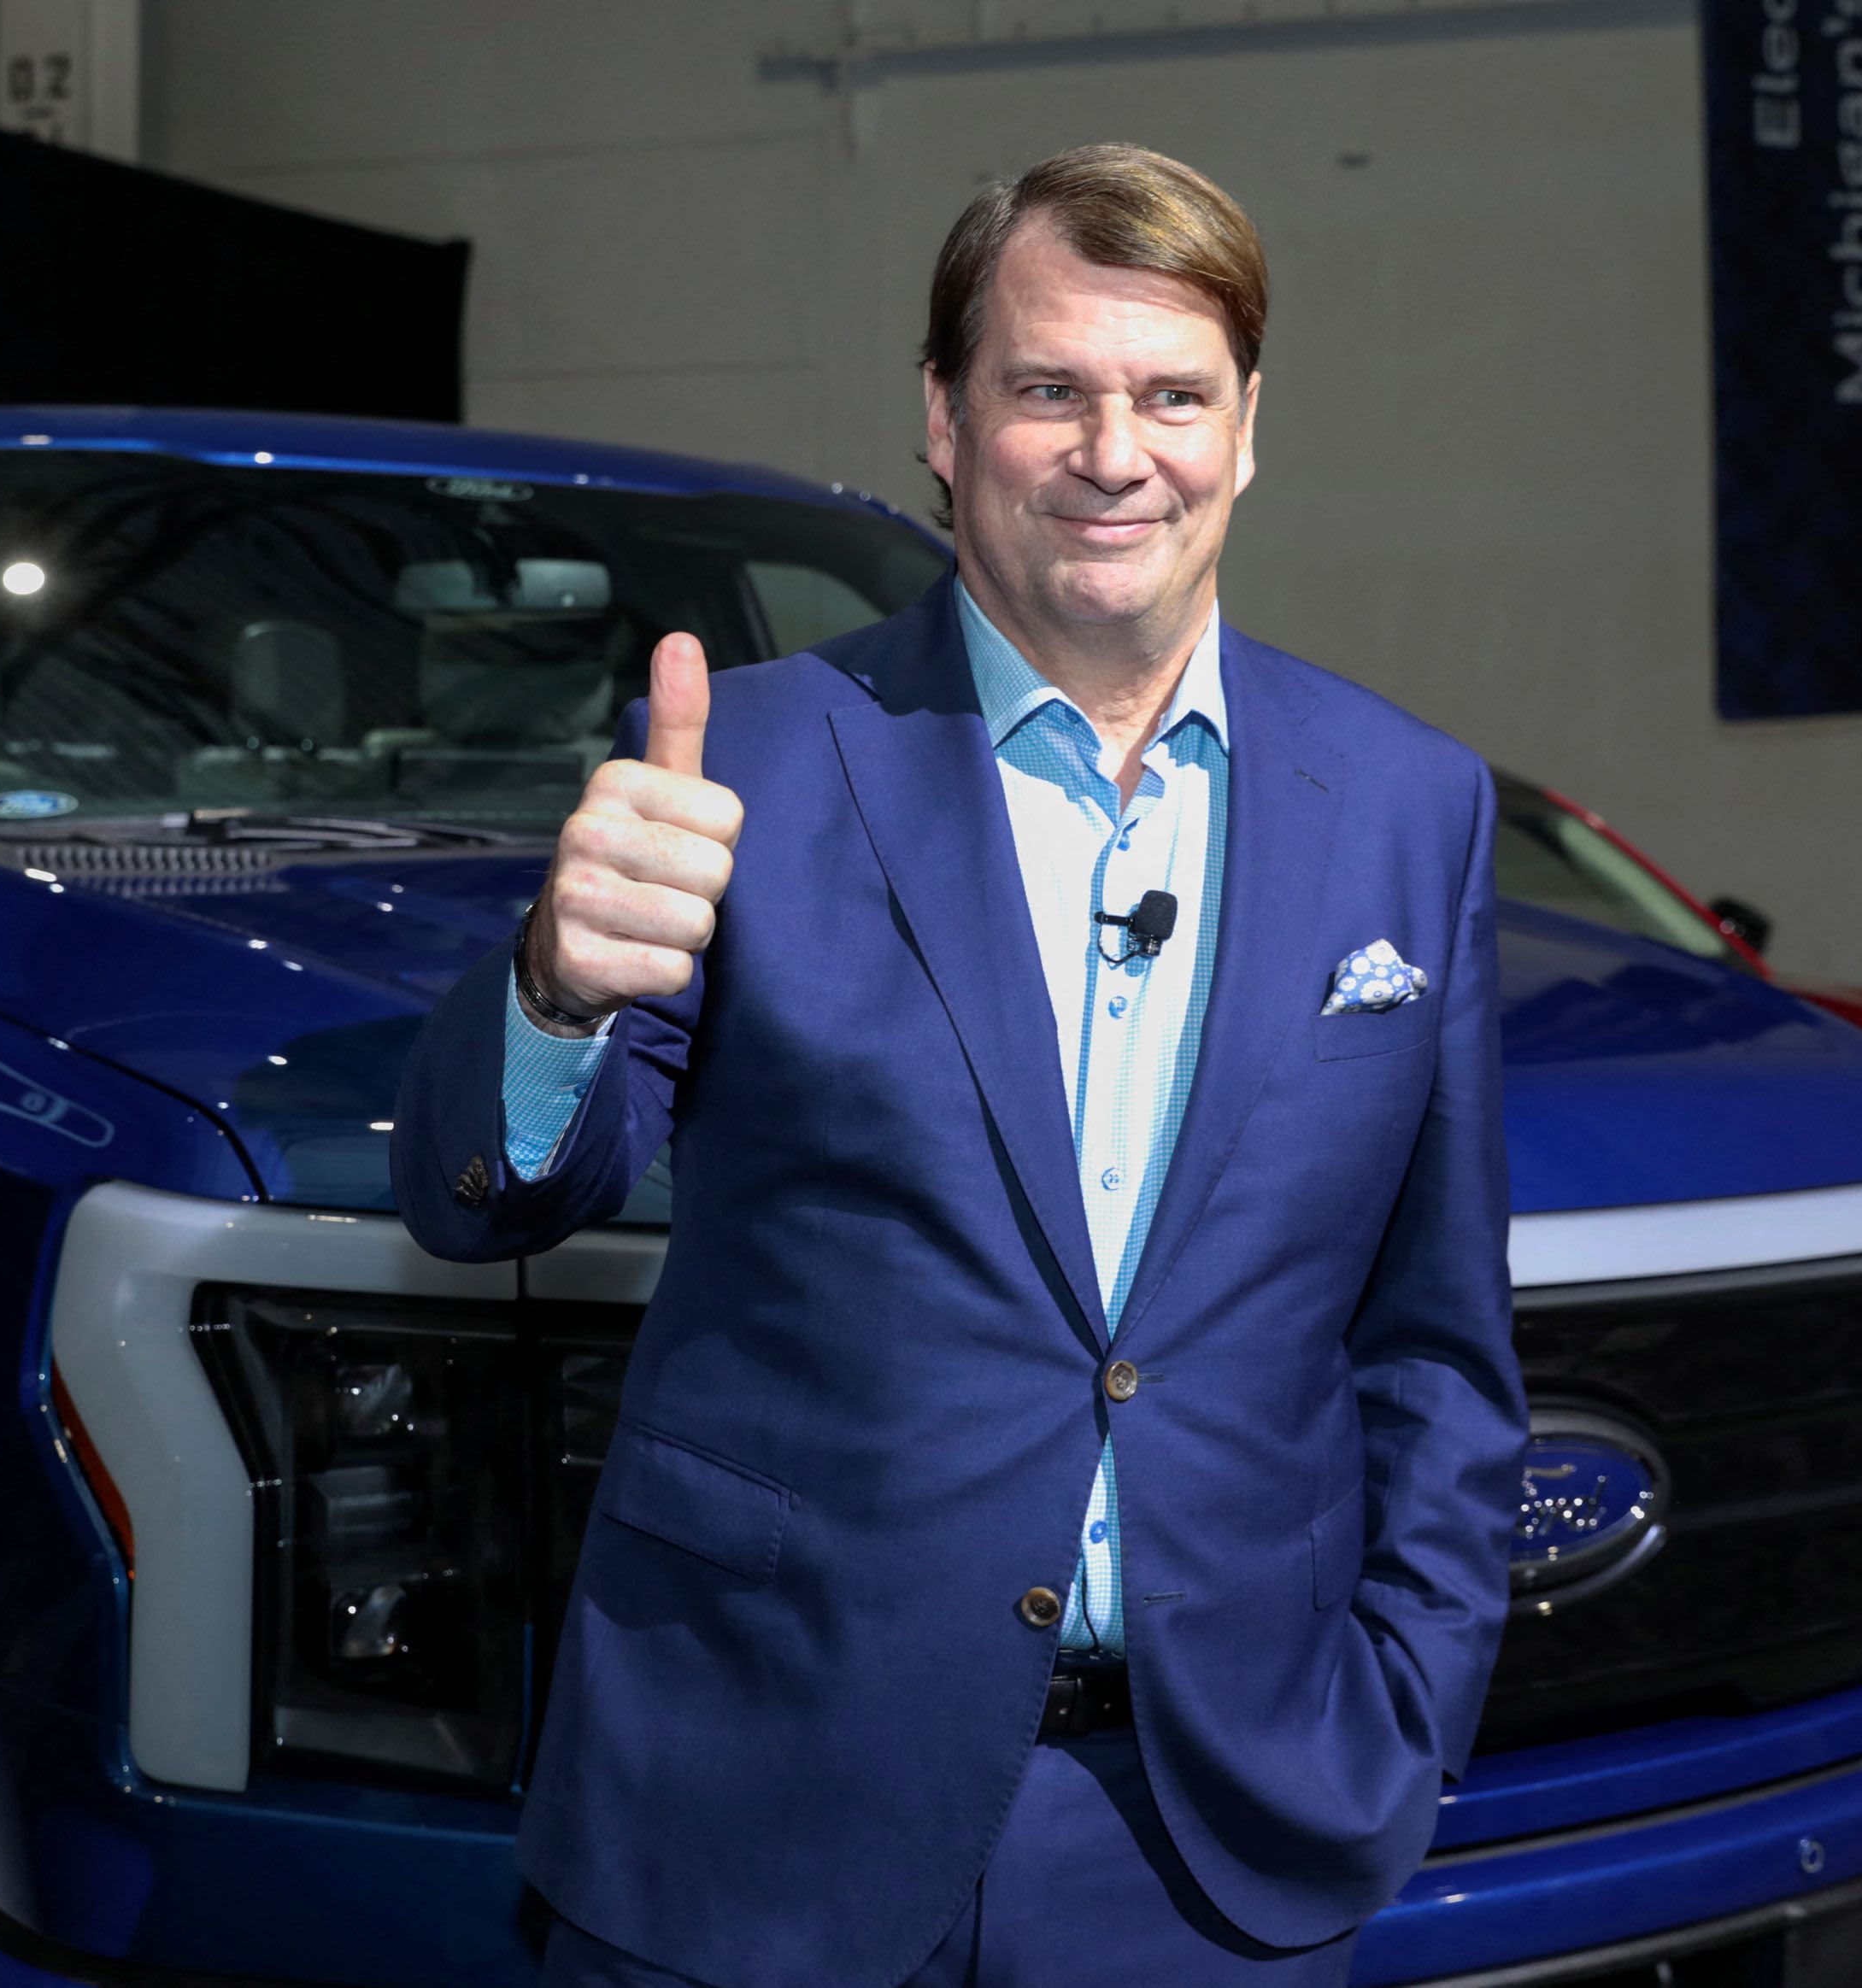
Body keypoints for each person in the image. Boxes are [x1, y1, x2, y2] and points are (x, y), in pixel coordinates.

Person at [390, 143, 1525, 1988]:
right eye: (1046, 389)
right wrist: (553, 984)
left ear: (1247, 426)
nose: (1113, 451)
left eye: (1173, 394)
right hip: (758, 1806)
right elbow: (496, 1194)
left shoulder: (1412, 808)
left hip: (1208, 1842)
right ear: (942, 417)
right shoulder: (748, 760)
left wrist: (1404, 1705)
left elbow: (1433, 1342)